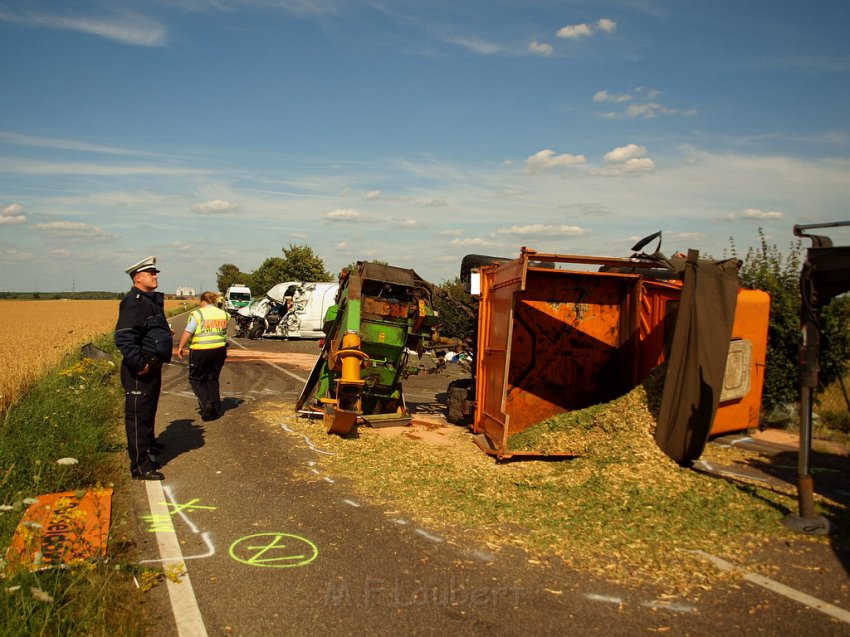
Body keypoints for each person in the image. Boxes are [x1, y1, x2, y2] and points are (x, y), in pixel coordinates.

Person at [114, 256, 173, 481]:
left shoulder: (149, 300)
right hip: (141, 368)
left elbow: (148, 329)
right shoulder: (134, 301)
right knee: (138, 416)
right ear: (138, 278)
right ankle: (140, 466)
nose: (156, 276)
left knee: (148, 410)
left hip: (151, 365)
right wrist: (140, 364)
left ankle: (148, 446)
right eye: (151, 273)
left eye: (155, 273)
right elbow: (124, 337)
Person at [178, 291, 229, 421]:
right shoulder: (223, 314)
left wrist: (181, 346)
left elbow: (188, 331)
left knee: (196, 379)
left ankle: (207, 403)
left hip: (201, 350)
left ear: (203, 302)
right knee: (212, 378)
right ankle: (216, 410)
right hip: (219, 350)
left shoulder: (199, 314)